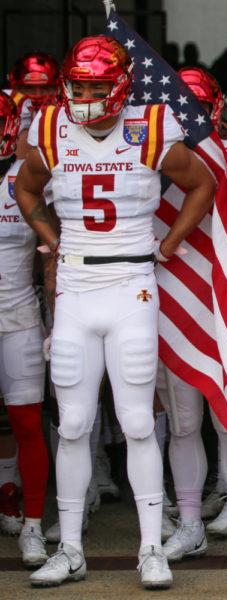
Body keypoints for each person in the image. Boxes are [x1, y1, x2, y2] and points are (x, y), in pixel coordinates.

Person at [15, 35, 216, 589]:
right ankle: (71, 547)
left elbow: (204, 182)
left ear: (120, 85)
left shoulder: (149, 126)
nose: (84, 96)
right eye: (78, 86)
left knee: (135, 421)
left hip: (131, 281)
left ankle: (152, 548)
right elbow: (26, 189)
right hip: (77, 282)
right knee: (74, 422)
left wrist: (170, 243)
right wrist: (49, 236)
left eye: (97, 86)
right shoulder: (51, 128)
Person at [158, 67, 227, 568]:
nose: (187, 116)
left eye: (197, 107)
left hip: (221, 295)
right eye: (179, 107)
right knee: (183, 424)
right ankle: (191, 523)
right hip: (168, 291)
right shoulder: (146, 154)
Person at [0, 91, 50, 568]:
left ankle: (32, 525)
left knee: (28, 422)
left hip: (16, 316)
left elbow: (54, 245)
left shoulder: (27, 175)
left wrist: (58, 312)